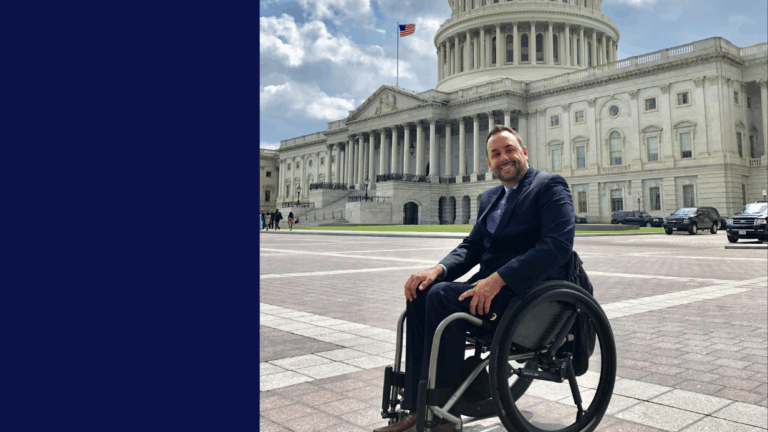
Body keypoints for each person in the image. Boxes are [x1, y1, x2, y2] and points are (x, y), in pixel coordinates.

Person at [374, 126, 575, 432]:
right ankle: (415, 406)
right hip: (489, 292)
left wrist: (500, 278)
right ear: (489, 162)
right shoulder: (491, 197)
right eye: (495, 153)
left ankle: (443, 416)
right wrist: (436, 270)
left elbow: (557, 245)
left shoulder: (548, 186)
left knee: (442, 297)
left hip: (526, 294)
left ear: (524, 152)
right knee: (422, 290)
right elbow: (472, 247)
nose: (503, 158)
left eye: (509, 149)